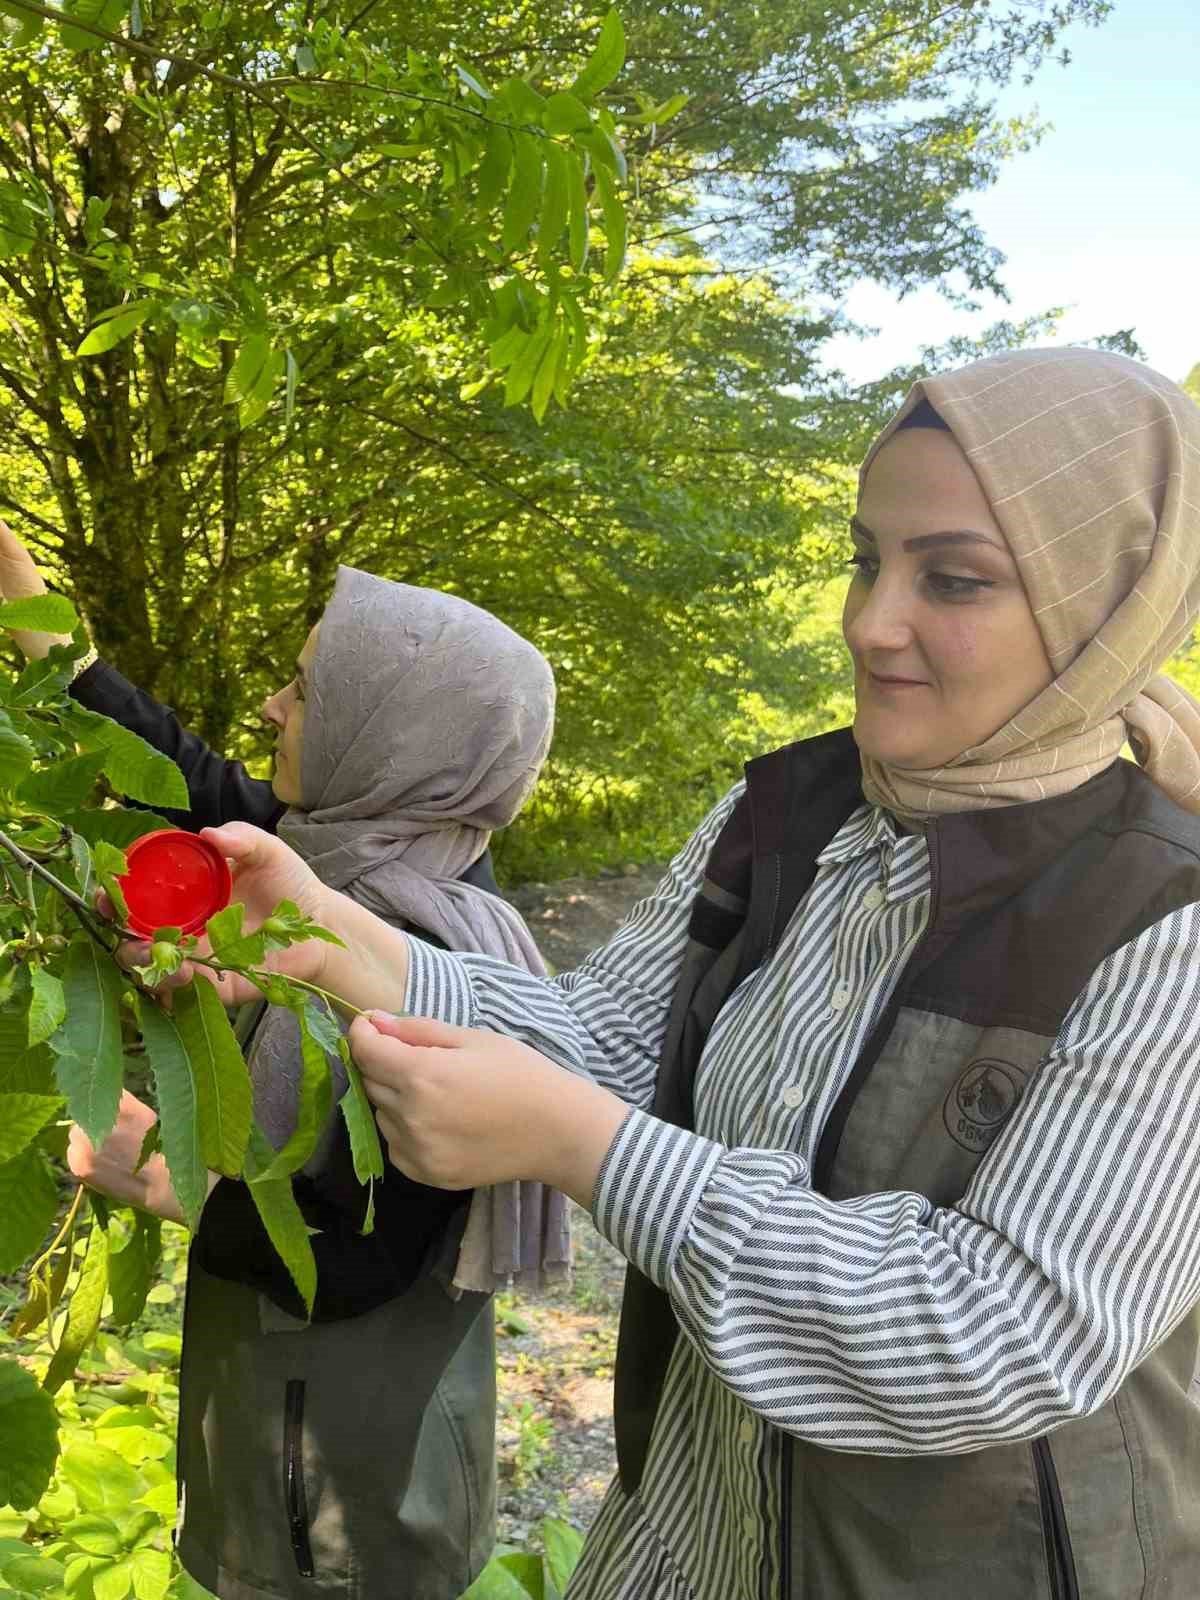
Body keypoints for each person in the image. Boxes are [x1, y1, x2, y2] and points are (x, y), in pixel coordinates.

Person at [129, 346, 1200, 1599]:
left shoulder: (1164, 922)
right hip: (687, 1539)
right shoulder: (786, 814)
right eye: (865, 558)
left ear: (1102, 605)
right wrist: (332, 939)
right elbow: (608, 1045)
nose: (870, 623)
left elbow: (995, 1333)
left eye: (953, 578)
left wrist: (590, 1151)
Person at [0, 534, 563, 1600]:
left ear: (385, 737)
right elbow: (179, 774)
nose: (268, 707)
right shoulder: (356, 855)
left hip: (345, 1490)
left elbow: (363, 1257)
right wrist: (29, 606)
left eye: (302, 691)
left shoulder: (425, 960)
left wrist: (168, 1177)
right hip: (290, 1435)